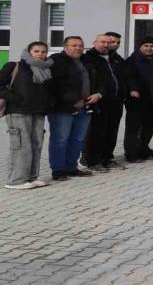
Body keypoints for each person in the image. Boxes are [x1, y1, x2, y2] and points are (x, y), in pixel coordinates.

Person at [1, 42, 54, 189]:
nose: (40, 54)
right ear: (29, 51)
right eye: (36, 51)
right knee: (21, 146)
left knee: (36, 145)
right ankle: (16, 181)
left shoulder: (46, 69)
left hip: (38, 112)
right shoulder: (14, 66)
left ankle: (31, 177)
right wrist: (16, 99)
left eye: (43, 51)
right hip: (18, 112)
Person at [46, 36, 97, 179]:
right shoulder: (56, 61)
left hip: (85, 106)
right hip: (63, 108)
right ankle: (58, 170)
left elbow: (96, 79)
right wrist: (75, 99)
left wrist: (97, 93)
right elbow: (57, 84)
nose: (78, 48)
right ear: (65, 47)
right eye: (74, 45)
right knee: (60, 139)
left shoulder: (86, 60)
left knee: (78, 139)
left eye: (80, 45)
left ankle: (71, 167)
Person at [82, 33, 127, 171]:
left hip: (116, 100)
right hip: (98, 101)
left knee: (112, 131)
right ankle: (91, 160)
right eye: (103, 42)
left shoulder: (115, 58)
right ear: (94, 42)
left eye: (109, 42)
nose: (106, 45)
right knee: (96, 132)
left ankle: (107, 158)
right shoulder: (88, 58)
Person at [122, 37, 153, 162]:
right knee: (133, 128)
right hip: (136, 99)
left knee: (149, 126)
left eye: (152, 46)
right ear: (140, 46)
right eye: (146, 46)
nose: (149, 48)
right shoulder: (132, 60)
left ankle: (143, 148)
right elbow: (129, 77)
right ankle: (131, 153)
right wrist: (133, 89)